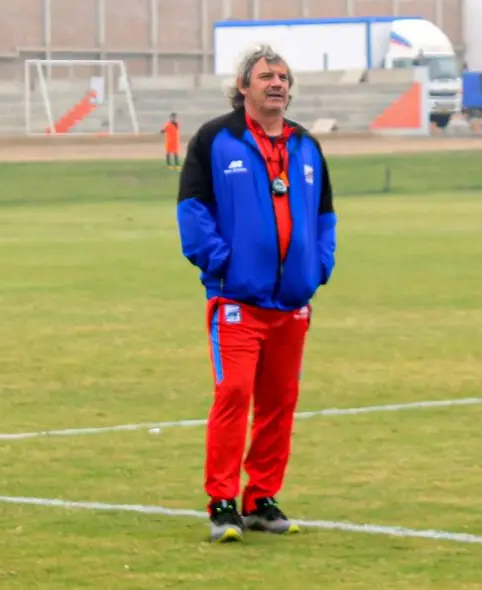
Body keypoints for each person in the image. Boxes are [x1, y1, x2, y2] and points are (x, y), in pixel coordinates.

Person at [175, 45, 337, 544]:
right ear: (243, 86)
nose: (277, 83)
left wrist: (318, 266)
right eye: (266, 75)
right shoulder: (215, 139)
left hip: (291, 303)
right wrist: (222, 263)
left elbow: (325, 216)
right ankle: (223, 502)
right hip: (237, 301)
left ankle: (261, 498)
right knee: (235, 393)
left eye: (284, 77)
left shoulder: (307, 146)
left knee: (280, 400)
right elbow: (192, 210)